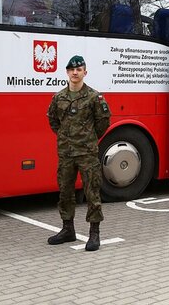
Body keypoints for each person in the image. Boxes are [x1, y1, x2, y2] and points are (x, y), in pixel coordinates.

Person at [46, 55, 111, 251]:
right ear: (67, 72)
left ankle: (94, 233)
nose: (75, 72)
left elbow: (103, 122)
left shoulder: (94, 97)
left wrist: (87, 138)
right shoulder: (59, 97)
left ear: (85, 72)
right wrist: (66, 137)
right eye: (72, 69)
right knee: (65, 191)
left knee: (92, 192)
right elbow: (53, 120)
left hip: (87, 153)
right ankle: (68, 229)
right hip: (66, 153)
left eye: (79, 69)